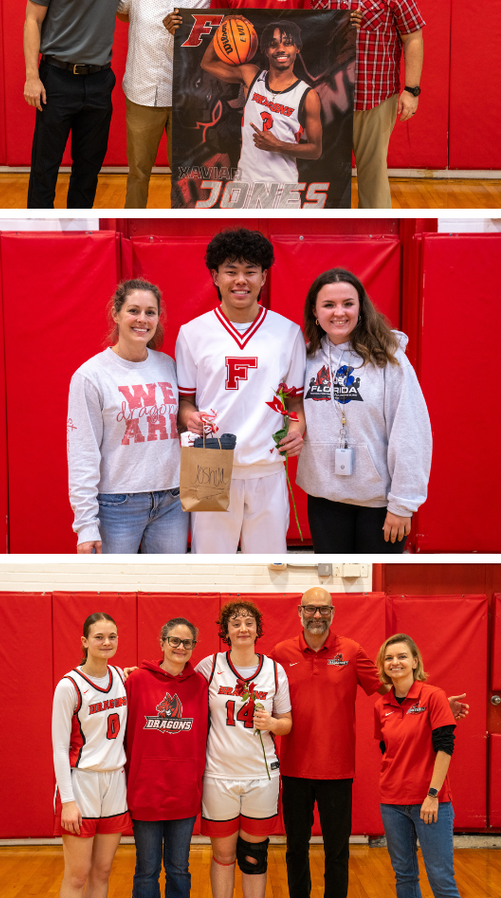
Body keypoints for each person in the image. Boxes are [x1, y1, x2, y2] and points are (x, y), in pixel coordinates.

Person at [271, 589, 469, 898]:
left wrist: (437, 702)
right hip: (294, 769)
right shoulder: (281, 653)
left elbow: (390, 687)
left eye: (324, 609)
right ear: (300, 611)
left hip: (337, 772)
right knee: (295, 848)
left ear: (333, 613)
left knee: (338, 851)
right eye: (311, 609)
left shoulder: (350, 651)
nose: (317, 615)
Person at [175, 228, 306, 553]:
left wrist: (297, 427)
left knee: (268, 565)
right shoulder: (192, 333)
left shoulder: (287, 332)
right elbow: (185, 403)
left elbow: (296, 403)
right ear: (215, 276)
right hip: (208, 461)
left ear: (264, 277)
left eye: (250, 272)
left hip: (268, 465)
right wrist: (190, 418)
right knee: (210, 564)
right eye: (231, 271)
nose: (240, 280)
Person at [296, 268, 432, 553]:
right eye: (329, 305)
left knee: (373, 590)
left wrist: (403, 504)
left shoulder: (389, 359)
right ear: (315, 311)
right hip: (324, 498)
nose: (339, 313)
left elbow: (410, 431)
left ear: (361, 308)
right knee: (334, 583)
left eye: (348, 303)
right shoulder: (304, 358)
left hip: (379, 503)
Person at [307, 0, 424, 208]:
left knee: (372, 174)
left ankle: (375, 233)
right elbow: (302, 33)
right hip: (327, 98)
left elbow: (413, 37)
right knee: (326, 175)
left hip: (375, 97)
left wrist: (411, 90)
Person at [24, 0, 131, 208]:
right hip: (56, 78)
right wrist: (32, 76)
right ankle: (37, 232)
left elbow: (126, 10)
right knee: (46, 165)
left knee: (89, 167)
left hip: (99, 81)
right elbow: (32, 19)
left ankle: (77, 229)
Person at [67, 278, 185, 554]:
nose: (142, 319)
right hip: (117, 505)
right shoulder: (91, 375)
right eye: (133, 310)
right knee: (114, 589)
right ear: (116, 314)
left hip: (172, 500)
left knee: (164, 587)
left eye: (150, 312)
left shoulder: (168, 366)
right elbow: (82, 453)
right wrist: (85, 524)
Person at [195, 601, 291, 898]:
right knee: (223, 855)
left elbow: (287, 723)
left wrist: (273, 724)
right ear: (225, 631)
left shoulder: (275, 671)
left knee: (253, 857)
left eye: (248, 622)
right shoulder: (209, 666)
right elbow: (176, 685)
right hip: (218, 776)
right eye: (235, 623)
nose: (243, 628)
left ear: (258, 629)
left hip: (261, 777)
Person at [117, 0, 211, 208]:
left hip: (184, 100)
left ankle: (183, 226)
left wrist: (181, 35)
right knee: (138, 172)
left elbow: (209, 48)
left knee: (184, 174)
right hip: (142, 94)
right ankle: (132, 224)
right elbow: (116, 11)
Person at [124, 617, 208, 898]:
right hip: (146, 792)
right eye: (174, 640)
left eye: (187, 642)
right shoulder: (136, 680)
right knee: (146, 871)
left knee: (179, 868)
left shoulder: (200, 685)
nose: (180, 647)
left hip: (184, 793)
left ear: (194, 646)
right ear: (162, 643)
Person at [374, 634, 460, 898]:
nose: (395, 662)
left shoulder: (434, 696)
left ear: (414, 661)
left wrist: (432, 795)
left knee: (441, 878)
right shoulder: (381, 705)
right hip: (392, 803)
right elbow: (385, 747)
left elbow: (445, 747)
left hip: (430, 802)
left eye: (401, 656)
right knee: (404, 875)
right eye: (389, 658)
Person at [51, 612, 130, 898]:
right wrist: (68, 801)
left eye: (112, 637)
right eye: (99, 637)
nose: (106, 642)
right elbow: (59, 748)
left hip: (115, 783)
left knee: (102, 871)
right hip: (81, 782)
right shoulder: (69, 686)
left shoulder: (122, 677)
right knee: (77, 875)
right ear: (85, 641)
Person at [200, 18, 323, 186]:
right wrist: (224, 30)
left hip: (282, 187)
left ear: (297, 48)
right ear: (265, 50)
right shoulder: (251, 76)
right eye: (273, 45)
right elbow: (208, 63)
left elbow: (315, 150)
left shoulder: (307, 95)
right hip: (244, 185)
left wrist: (279, 146)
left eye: (287, 43)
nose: (281, 49)